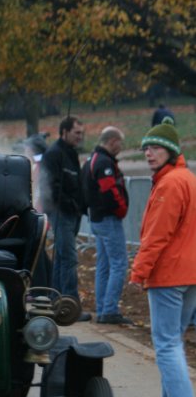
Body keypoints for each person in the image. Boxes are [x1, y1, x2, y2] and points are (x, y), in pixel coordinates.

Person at [130, 122, 196, 397]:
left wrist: (138, 271)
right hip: (189, 273)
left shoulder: (169, 184)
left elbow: (157, 236)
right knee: (174, 341)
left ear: (170, 151)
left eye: (154, 147)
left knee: (167, 344)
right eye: (145, 147)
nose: (148, 152)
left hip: (169, 273)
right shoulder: (187, 178)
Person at [40, 115, 91, 321]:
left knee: (61, 258)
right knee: (69, 258)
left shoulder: (71, 153)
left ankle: (57, 302)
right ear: (64, 132)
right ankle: (71, 305)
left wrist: (80, 207)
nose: (80, 137)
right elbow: (51, 186)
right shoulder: (54, 154)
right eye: (76, 133)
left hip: (72, 213)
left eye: (82, 133)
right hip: (60, 212)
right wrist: (68, 205)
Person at [82, 126, 132, 325]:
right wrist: (121, 209)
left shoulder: (90, 160)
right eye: (120, 142)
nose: (121, 146)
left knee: (103, 265)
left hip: (96, 218)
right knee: (119, 264)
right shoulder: (104, 163)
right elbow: (109, 191)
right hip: (108, 218)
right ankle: (110, 309)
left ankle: (103, 308)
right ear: (112, 141)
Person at [24, 133, 48, 212]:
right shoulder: (42, 162)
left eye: (27, 149)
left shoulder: (38, 166)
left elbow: (36, 193)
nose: (25, 151)